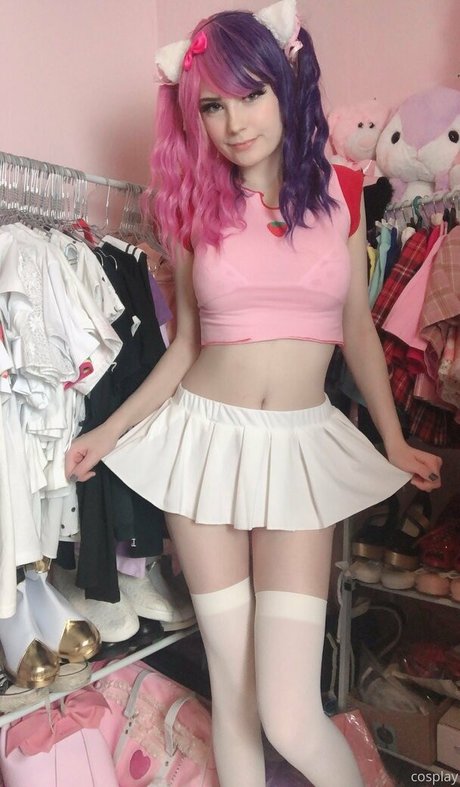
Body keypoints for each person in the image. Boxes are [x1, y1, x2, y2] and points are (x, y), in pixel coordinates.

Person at [65, 2, 442, 785]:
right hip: (204, 444)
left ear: (285, 86)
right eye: (213, 105)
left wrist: (394, 437)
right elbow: (186, 347)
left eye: (251, 95)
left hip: (299, 450)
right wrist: (112, 430)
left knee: (290, 711)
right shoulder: (191, 209)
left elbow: (358, 330)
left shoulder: (344, 191)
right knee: (233, 697)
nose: (234, 122)